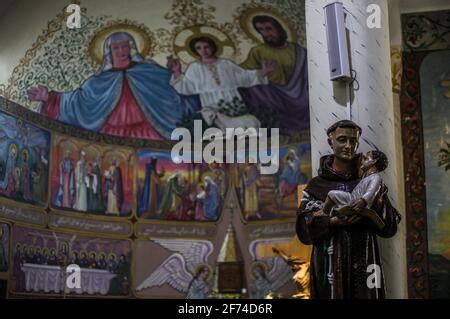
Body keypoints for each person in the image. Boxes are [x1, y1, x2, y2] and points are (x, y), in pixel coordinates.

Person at [296, 120, 400, 299]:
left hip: (365, 261)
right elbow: (304, 231)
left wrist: (375, 203)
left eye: (353, 141)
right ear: (331, 142)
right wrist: (332, 221)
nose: (348, 145)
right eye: (342, 140)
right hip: (328, 263)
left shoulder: (370, 182)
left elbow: (389, 227)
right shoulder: (317, 185)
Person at [27, 32, 200, 140]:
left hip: (151, 132)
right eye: (117, 47)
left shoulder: (149, 71)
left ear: (131, 48)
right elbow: (78, 101)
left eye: (125, 46)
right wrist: (49, 98)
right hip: (110, 136)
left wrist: (176, 74)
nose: (122, 51)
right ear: (109, 52)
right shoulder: (97, 81)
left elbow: (172, 92)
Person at [168, 36, 275, 118]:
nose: (203, 51)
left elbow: (244, 76)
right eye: (199, 48)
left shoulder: (226, 63)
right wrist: (177, 72)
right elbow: (187, 87)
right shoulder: (194, 67)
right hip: (209, 101)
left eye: (206, 47)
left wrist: (263, 72)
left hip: (232, 98)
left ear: (213, 47)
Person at [239, 15, 309, 134]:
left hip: (299, 94)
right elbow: (241, 74)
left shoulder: (298, 51)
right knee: (253, 89)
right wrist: (262, 73)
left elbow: (307, 75)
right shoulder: (258, 51)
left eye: (269, 29)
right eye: (261, 30)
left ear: (279, 29)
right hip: (272, 95)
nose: (265, 33)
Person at [323, 150, 388, 218]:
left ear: (373, 161)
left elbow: (371, 191)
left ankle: (324, 213)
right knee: (335, 201)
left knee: (332, 194)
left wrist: (363, 201)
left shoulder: (375, 177)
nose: (362, 161)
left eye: (365, 159)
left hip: (356, 201)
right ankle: (329, 213)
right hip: (354, 199)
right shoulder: (366, 178)